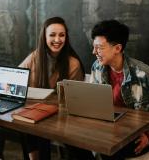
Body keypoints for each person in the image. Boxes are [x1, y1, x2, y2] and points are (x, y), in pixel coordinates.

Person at [19, 17, 94, 160]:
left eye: (62, 35)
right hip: (36, 113)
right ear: (44, 37)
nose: (57, 39)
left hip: (62, 117)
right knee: (26, 125)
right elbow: (16, 78)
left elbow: (74, 101)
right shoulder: (35, 57)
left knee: (38, 129)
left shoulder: (73, 64)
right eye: (52, 35)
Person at [90, 19, 149, 159]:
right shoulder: (97, 67)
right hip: (109, 131)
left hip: (137, 134)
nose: (94, 52)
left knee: (109, 150)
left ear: (117, 48)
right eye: (94, 46)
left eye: (99, 47)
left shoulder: (145, 74)